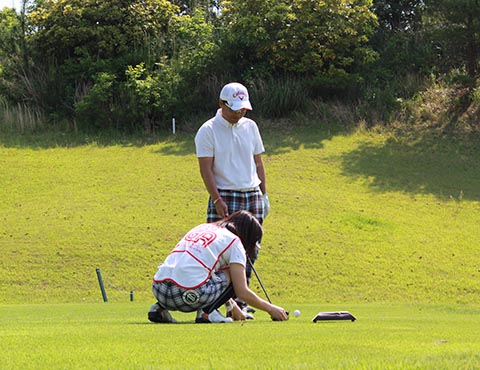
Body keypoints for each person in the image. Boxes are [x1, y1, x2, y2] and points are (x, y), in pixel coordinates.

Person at [194, 82, 270, 317]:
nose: (239, 114)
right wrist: (216, 199)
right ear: (221, 104)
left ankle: (241, 300)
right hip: (225, 194)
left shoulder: (251, 126)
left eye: (242, 110)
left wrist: (264, 195)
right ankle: (221, 303)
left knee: (250, 250)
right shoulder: (208, 130)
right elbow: (206, 169)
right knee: (220, 252)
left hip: (252, 193)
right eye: (234, 109)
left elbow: (258, 162)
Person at [148, 211, 288, 324]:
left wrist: (232, 307)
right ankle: (207, 312)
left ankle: (159, 309)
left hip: (159, 289)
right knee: (234, 273)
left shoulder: (202, 227)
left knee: (198, 270)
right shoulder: (235, 242)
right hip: (188, 296)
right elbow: (241, 291)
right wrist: (271, 309)